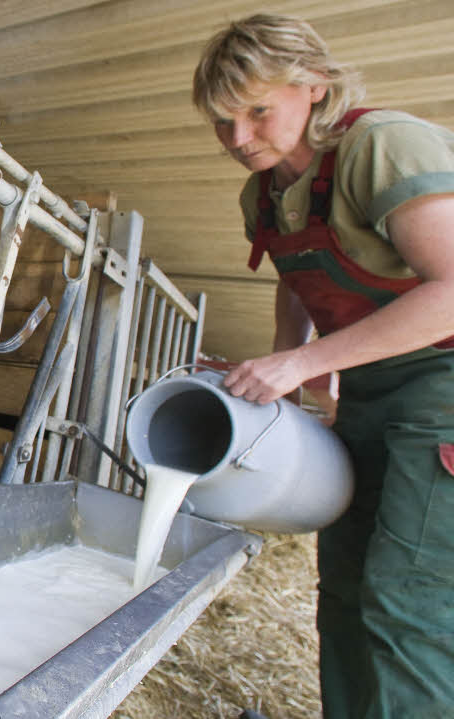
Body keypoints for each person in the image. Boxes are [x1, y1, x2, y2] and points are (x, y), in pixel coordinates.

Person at [192, 13, 454, 719]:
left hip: (446, 385)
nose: (238, 138)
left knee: (409, 595)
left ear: (314, 86)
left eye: (256, 110)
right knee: (342, 582)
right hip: (373, 388)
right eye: (222, 122)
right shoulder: (263, 195)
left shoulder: (382, 146)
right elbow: (298, 273)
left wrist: (305, 361)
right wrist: (299, 371)